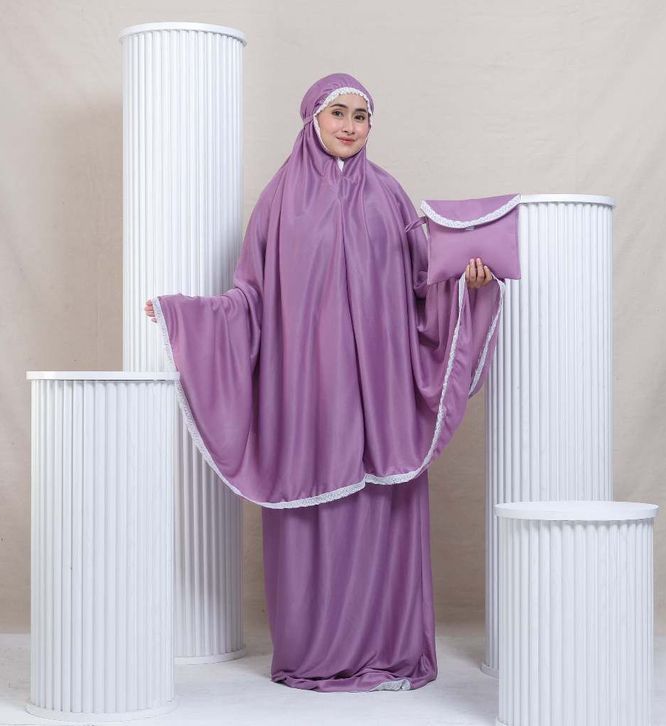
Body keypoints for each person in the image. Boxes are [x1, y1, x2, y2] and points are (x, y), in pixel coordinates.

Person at [144, 73, 502, 692]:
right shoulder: (279, 200)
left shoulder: (390, 197)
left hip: (382, 392)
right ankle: (314, 654)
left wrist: (467, 287)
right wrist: (187, 315)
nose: (350, 126)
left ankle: (388, 649)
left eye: (361, 116)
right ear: (312, 117)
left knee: (381, 510)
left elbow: (426, 289)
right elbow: (251, 296)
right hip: (308, 390)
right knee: (314, 510)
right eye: (338, 113)